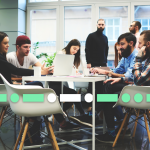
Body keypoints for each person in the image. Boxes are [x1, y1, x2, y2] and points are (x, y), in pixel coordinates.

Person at [69, 32, 138, 128]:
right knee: (108, 96)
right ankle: (110, 129)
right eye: (119, 44)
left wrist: (107, 73)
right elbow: (116, 71)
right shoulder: (126, 57)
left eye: (122, 44)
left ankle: (92, 115)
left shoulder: (136, 56)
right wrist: (101, 70)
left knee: (108, 86)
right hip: (125, 86)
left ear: (131, 43)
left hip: (136, 89)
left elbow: (129, 76)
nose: (120, 47)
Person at [94, 30, 150, 143]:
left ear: (148, 44)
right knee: (108, 94)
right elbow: (133, 78)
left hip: (143, 97)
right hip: (136, 92)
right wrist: (120, 78)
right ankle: (104, 120)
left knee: (108, 91)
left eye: (139, 43)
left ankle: (96, 111)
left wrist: (138, 59)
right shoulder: (146, 59)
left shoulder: (142, 59)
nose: (137, 46)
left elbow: (138, 80)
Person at [0, 32, 51, 145]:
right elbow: (16, 71)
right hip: (8, 94)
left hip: (9, 91)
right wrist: (38, 72)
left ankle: (33, 121)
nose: (8, 45)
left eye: (8, 43)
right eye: (5, 43)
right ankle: (35, 121)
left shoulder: (2, 57)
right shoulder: (2, 58)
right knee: (38, 86)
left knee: (35, 93)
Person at [49, 39, 84, 130]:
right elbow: (60, 69)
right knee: (67, 96)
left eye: (77, 50)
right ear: (70, 46)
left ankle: (63, 113)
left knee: (73, 93)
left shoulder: (69, 56)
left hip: (60, 82)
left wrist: (75, 72)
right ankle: (82, 116)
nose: (75, 51)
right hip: (54, 82)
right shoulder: (62, 53)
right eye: (74, 48)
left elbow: (68, 70)